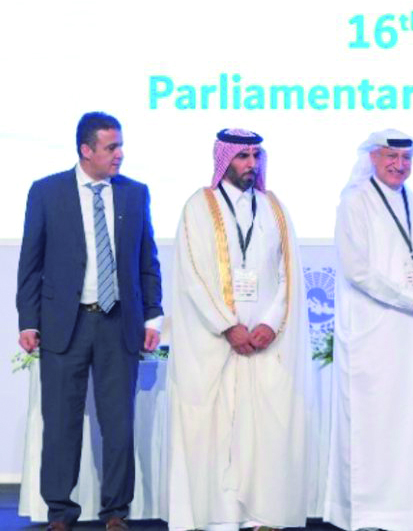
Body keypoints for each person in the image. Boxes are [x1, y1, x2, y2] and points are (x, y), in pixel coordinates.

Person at [16, 112, 163, 531]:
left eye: (120, 146)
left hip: (118, 323)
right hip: (67, 323)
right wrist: (28, 321)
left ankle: (116, 511)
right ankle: (60, 513)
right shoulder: (47, 192)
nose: (120, 154)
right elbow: (31, 261)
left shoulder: (135, 194)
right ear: (86, 149)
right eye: (111, 147)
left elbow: (146, 260)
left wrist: (153, 315)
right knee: (60, 423)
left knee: (118, 422)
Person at [166, 128, 308, 531]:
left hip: (263, 341)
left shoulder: (273, 207)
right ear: (224, 159)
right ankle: (218, 517)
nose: (250, 164)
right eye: (242, 156)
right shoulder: (199, 205)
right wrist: (229, 326)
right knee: (216, 428)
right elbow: (192, 273)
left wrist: (268, 322)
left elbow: (288, 273)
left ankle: (260, 514)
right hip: (216, 343)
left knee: (262, 428)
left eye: (255, 156)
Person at [325, 129, 413, 531]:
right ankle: (371, 513)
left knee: (409, 418)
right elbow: (359, 270)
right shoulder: (354, 201)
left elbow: (408, 258)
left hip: (410, 330)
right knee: (374, 421)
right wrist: (412, 298)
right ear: (373, 160)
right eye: (391, 157)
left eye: (406, 159)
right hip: (373, 329)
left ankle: (410, 510)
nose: (400, 165)